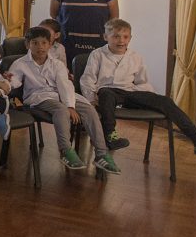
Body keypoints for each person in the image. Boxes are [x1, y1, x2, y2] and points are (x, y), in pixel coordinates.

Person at [81, 19, 196, 156]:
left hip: (130, 93)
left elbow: (143, 82)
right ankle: (110, 136)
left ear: (130, 38)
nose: (121, 40)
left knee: (165, 101)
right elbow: (88, 79)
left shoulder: (135, 57)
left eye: (125, 37)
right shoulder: (97, 55)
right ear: (106, 37)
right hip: (108, 92)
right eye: (116, 36)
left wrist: (148, 98)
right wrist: (92, 100)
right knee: (106, 94)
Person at [8, 27, 119, 174]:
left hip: (61, 95)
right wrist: (7, 81)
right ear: (28, 44)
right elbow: (14, 81)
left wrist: (70, 106)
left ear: (50, 44)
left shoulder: (57, 64)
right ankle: (66, 150)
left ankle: (101, 153)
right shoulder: (20, 63)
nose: (40, 47)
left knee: (89, 109)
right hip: (38, 97)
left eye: (44, 43)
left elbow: (64, 85)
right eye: (35, 43)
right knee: (61, 110)